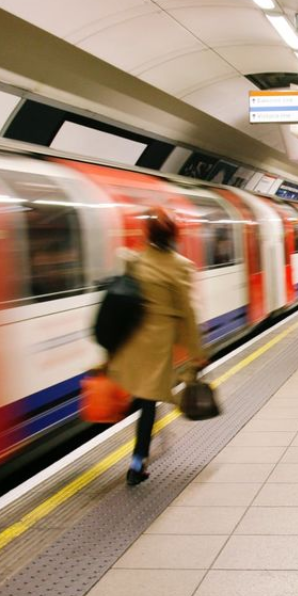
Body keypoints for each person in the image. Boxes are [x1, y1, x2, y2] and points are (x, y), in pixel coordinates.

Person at [108, 207, 209, 485]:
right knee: (149, 403)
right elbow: (187, 315)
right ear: (174, 235)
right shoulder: (181, 266)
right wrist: (197, 353)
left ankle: (141, 449)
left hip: (132, 340)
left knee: (144, 396)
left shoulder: (136, 261)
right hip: (158, 345)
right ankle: (137, 463)